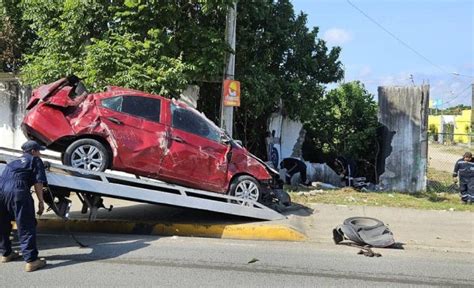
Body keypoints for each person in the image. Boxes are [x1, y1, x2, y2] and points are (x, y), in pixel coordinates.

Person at [0, 140, 48, 272]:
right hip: (18, 191)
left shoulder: (12, 162)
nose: (40, 154)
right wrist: (41, 201)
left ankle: (5, 253)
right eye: (38, 151)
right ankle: (32, 260)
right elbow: (38, 182)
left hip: (1, 191)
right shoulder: (35, 160)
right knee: (26, 224)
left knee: (3, 223)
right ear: (33, 151)